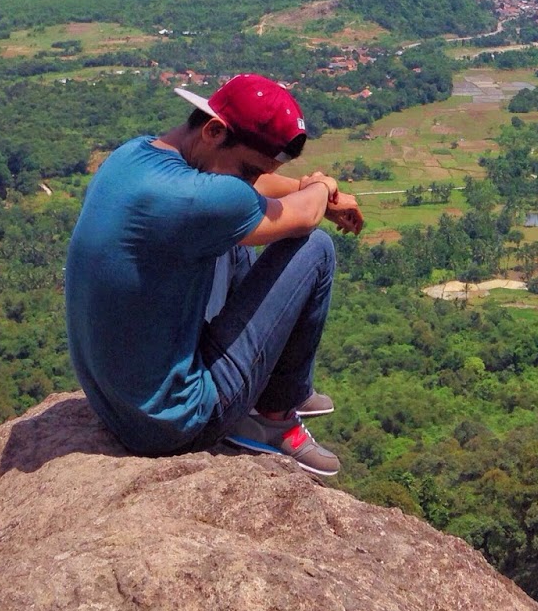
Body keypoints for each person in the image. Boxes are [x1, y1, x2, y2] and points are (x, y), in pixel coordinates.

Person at [65, 73, 362, 476]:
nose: (251, 183)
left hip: (117, 405)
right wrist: (324, 186)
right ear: (214, 130)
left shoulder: (132, 155)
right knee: (315, 248)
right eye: (248, 170)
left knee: (230, 233)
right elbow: (304, 216)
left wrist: (300, 185)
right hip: (175, 424)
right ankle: (271, 416)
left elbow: (253, 190)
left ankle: (274, 385)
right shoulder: (203, 198)